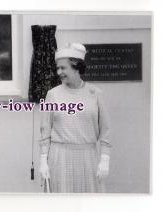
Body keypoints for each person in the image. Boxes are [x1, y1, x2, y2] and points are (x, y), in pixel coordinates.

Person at [39, 43, 112, 193]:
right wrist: (43, 160)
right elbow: (45, 130)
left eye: (63, 68)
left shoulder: (95, 93)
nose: (59, 72)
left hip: (88, 157)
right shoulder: (53, 94)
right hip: (59, 158)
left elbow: (106, 130)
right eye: (57, 68)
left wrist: (105, 159)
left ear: (76, 66)